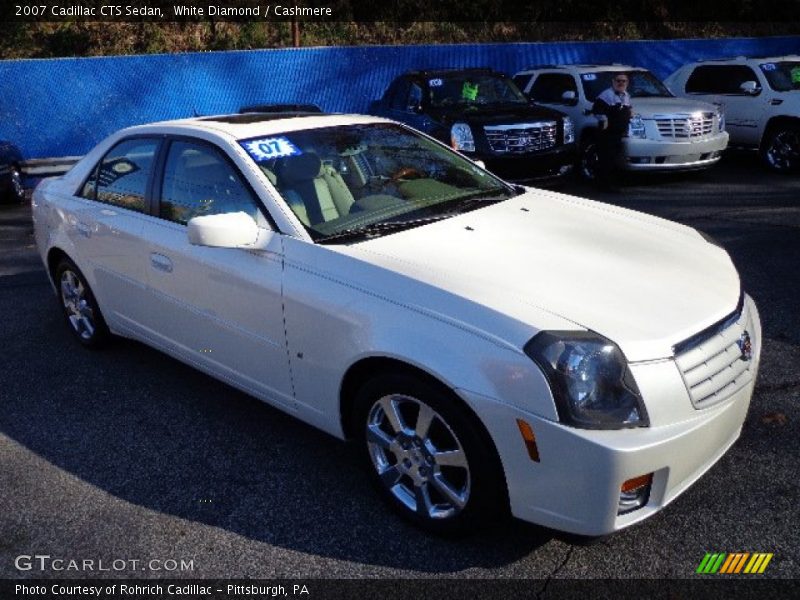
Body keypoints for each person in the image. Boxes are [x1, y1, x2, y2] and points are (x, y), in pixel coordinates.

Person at [592, 73, 633, 191]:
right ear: (613, 82)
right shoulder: (606, 95)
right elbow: (597, 110)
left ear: (627, 83)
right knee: (606, 159)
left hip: (618, 134)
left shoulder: (626, 95)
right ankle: (603, 185)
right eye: (618, 81)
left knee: (615, 159)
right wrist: (604, 120)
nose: (621, 83)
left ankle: (612, 184)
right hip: (607, 133)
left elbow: (628, 108)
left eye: (624, 81)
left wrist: (631, 112)